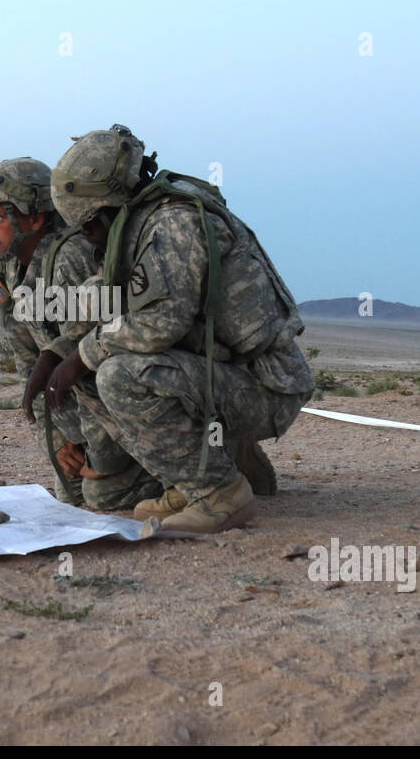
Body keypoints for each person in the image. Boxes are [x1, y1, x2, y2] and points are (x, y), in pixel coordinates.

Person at [42, 125, 315, 534]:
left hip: (266, 387)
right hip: (219, 373)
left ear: (111, 205)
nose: (89, 239)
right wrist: (59, 355)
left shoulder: (173, 223)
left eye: (90, 226)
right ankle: (187, 482)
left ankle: (221, 493)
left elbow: (159, 324)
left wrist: (80, 357)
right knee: (88, 368)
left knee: (119, 375)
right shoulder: (137, 227)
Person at [0, 157, 160, 510]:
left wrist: (99, 456)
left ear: (35, 216)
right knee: (70, 497)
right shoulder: (11, 270)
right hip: (78, 414)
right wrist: (58, 443)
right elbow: (29, 365)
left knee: (102, 496)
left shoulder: (75, 256)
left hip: (124, 408)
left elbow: (93, 359)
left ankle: (210, 462)